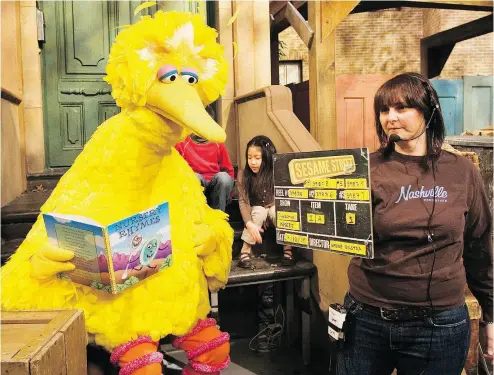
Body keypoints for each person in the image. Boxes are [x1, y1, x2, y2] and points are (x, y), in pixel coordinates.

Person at [337, 72, 493, 375]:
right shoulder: (364, 169)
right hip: (366, 317)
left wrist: (490, 314)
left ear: (429, 110)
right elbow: (341, 228)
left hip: (439, 325)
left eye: (401, 108)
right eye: (384, 110)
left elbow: (479, 246)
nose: (390, 118)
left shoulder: (461, 171)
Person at [236, 135, 294, 268]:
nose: (253, 162)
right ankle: (245, 251)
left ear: (267, 157)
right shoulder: (243, 175)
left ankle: (288, 249)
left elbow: (284, 196)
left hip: (274, 204)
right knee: (259, 213)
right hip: (257, 207)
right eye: (249, 157)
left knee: (276, 213)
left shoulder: (277, 172)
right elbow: (243, 202)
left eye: (257, 158)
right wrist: (249, 224)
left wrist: (271, 210)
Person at [175, 106, 234, 212]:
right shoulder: (182, 143)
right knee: (195, 177)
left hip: (214, 186)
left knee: (224, 178)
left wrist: (229, 193)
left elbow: (228, 169)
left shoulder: (217, 143)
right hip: (195, 185)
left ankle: (218, 218)